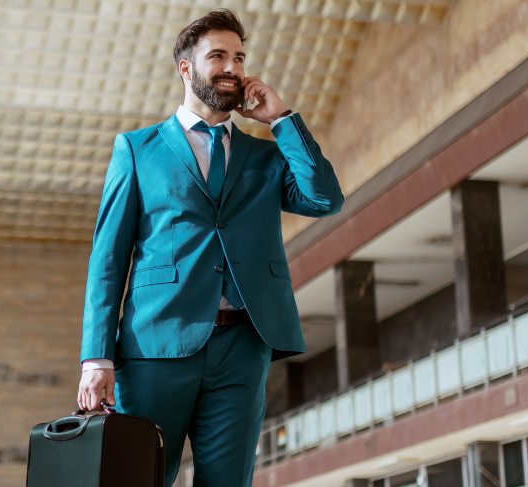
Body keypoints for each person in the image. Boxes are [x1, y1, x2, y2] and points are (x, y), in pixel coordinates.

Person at [75, 8, 344, 486]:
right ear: (186, 68)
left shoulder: (265, 155)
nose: (232, 68)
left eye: (238, 58)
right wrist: (97, 357)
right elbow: (107, 259)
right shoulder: (138, 149)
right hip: (156, 346)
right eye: (217, 56)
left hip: (243, 346)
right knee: (139, 477)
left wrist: (280, 118)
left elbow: (324, 198)